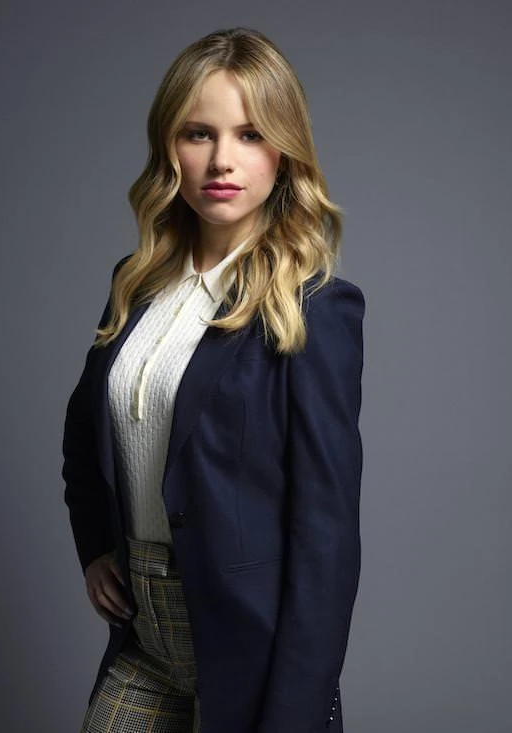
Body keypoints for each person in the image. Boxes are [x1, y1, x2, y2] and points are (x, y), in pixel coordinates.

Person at [62, 26, 365, 733]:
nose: (222, 159)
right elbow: (85, 429)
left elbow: (326, 536)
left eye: (251, 135)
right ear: (170, 145)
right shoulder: (136, 284)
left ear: (284, 151)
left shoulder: (314, 306)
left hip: (250, 647)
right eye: (199, 133)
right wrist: (96, 546)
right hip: (145, 632)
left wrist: (294, 710)